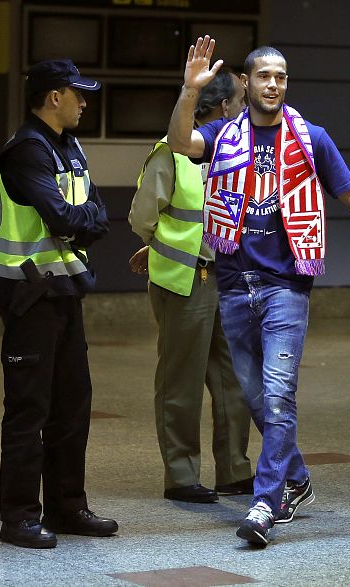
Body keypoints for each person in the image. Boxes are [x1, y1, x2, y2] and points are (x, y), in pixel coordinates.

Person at [166, 36, 350, 546]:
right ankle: (297, 477)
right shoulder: (223, 133)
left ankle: (266, 501)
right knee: (255, 397)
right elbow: (178, 144)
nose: (274, 85)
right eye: (264, 76)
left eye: (281, 77)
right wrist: (190, 91)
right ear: (246, 82)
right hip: (234, 284)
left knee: (279, 395)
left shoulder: (311, 139)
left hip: (286, 285)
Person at [0, 58, 116, 549]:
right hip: (30, 294)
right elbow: (61, 218)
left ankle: (67, 507)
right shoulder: (26, 150)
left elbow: (97, 214)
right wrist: (81, 221)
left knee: (72, 405)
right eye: (77, 93)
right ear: (54, 97)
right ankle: (19, 518)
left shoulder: (69, 146)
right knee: (29, 409)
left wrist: (80, 221)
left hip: (65, 290)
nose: (84, 102)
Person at [128, 70, 254, 504]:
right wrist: (158, 245)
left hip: (229, 279)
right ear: (224, 107)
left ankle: (234, 470)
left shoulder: (239, 151)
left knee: (233, 379)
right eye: (241, 101)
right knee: (181, 381)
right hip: (185, 278)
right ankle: (181, 476)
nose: (246, 108)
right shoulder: (171, 152)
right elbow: (142, 216)